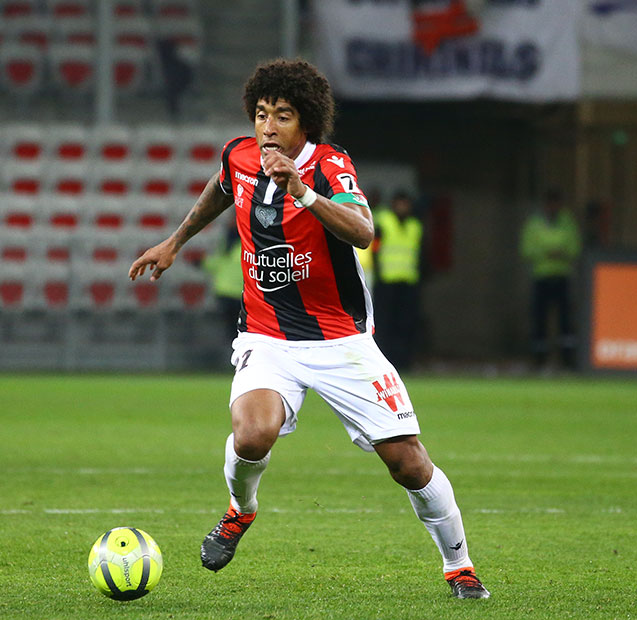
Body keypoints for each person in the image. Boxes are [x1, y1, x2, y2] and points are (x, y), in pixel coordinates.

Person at [129, 59, 489, 599]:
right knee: (252, 435)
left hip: (341, 341)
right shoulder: (239, 155)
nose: (268, 127)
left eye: (283, 115)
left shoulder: (329, 167)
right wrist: (175, 241)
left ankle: (459, 567)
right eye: (261, 114)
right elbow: (221, 187)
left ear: (307, 122)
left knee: (408, 463)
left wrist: (303, 192)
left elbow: (363, 232)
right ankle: (240, 510)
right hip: (267, 337)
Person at [519, 188, 581, 370]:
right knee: (539, 318)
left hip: (562, 276)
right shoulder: (534, 223)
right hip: (541, 276)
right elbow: (526, 249)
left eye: (556, 204)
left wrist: (561, 254)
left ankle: (567, 359)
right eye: (550, 204)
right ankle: (539, 359)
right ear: (545, 205)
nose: (553, 207)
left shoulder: (567, 222)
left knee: (565, 319)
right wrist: (546, 253)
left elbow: (575, 247)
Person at [373, 191, 424, 370]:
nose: (402, 207)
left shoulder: (415, 225)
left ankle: (404, 362)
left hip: (408, 281)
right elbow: (374, 248)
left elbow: (420, 253)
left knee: (406, 324)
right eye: (400, 203)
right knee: (384, 324)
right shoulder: (384, 221)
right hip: (386, 281)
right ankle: (385, 362)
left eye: (405, 204)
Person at [203, 224, 244, 344]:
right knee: (240, 328)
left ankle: (232, 349)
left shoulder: (225, 247)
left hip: (223, 292)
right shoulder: (246, 248)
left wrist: (201, 262)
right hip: (239, 294)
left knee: (230, 328)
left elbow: (215, 263)